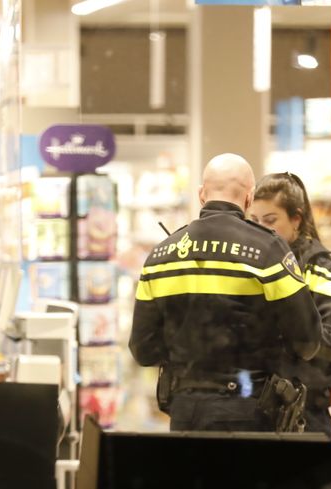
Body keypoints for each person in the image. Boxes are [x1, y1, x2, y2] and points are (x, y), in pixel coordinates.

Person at [129, 153, 321, 432]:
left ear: (201, 195)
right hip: (250, 411)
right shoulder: (268, 250)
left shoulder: (161, 256)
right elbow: (307, 342)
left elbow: (143, 350)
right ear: (249, 198)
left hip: (184, 411)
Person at [250, 172, 331, 439]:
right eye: (254, 221)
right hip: (252, 414)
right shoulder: (251, 266)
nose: (261, 228)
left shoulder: (326, 271)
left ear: (296, 218)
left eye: (270, 220)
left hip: (305, 416)